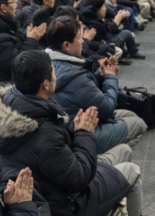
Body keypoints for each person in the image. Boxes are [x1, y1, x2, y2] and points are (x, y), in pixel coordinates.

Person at [0, 50, 145, 216]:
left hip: (45, 194)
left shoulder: (2, 109)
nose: (56, 75)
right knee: (132, 171)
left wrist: (74, 129)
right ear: (45, 84)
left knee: (124, 150)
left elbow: (50, 154)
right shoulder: (44, 134)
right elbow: (79, 179)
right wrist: (84, 133)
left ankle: (117, 204)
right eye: (53, 72)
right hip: (65, 209)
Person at [45, 17, 147, 153]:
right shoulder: (76, 77)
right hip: (79, 133)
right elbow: (107, 108)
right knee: (139, 125)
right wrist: (111, 76)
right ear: (66, 45)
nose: (83, 41)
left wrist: (100, 73)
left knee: (130, 115)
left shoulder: (46, 61)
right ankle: (95, 157)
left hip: (69, 124)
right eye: (79, 37)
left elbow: (80, 91)